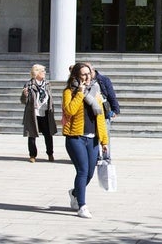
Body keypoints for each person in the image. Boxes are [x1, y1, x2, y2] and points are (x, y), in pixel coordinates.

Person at [63, 62, 109, 219]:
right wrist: (80, 93)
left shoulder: (96, 92)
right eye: (83, 74)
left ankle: (75, 193)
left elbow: (101, 118)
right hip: (75, 137)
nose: (87, 76)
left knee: (89, 173)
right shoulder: (70, 92)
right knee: (82, 170)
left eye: (88, 73)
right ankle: (82, 206)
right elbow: (69, 110)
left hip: (93, 139)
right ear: (76, 76)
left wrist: (104, 141)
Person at [20, 64, 57, 163]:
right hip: (33, 113)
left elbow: (50, 98)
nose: (45, 73)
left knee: (48, 134)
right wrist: (24, 95)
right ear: (37, 72)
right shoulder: (29, 84)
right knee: (31, 135)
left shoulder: (47, 84)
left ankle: (50, 153)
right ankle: (32, 155)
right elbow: (23, 101)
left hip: (45, 112)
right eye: (43, 71)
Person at [88, 63, 120, 157]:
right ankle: (95, 156)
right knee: (93, 135)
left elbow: (111, 95)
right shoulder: (84, 81)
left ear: (93, 71)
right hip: (90, 113)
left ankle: (106, 156)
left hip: (103, 111)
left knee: (104, 134)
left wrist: (115, 110)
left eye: (88, 72)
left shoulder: (103, 80)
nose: (87, 75)